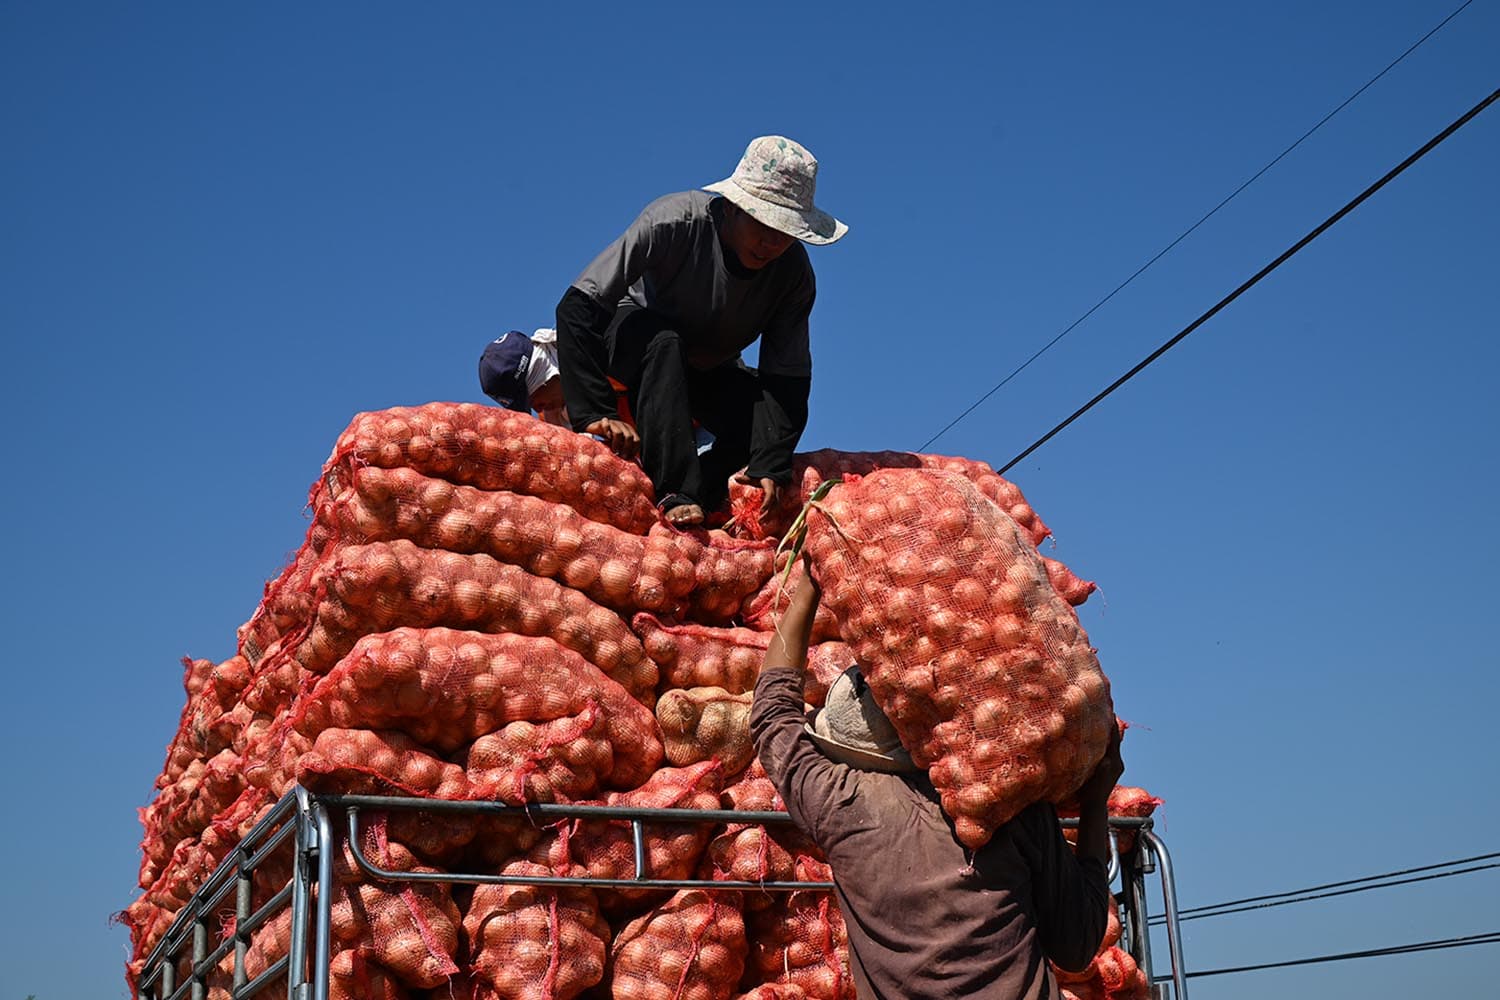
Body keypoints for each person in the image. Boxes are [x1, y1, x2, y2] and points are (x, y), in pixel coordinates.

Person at [749, 564, 1124, 1000]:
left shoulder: (841, 802)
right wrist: (1096, 804)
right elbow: (1077, 946)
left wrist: (810, 587)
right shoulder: (1004, 805)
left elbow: (772, 716)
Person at [554, 135, 847, 526]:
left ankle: (710, 496)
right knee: (663, 343)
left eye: (786, 230)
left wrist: (770, 465)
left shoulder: (793, 276)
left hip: (708, 366)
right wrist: (595, 410)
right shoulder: (672, 222)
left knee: (757, 421)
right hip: (634, 339)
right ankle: (675, 491)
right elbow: (578, 306)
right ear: (731, 208)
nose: (772, 241)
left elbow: (787, 378)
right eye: (762, 222)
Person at [478, 328, 569, 426]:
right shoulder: (553, 419)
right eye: (529, 405)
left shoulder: (586, 349)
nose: (538, 409)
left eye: (533, 399)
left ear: (543, 373)